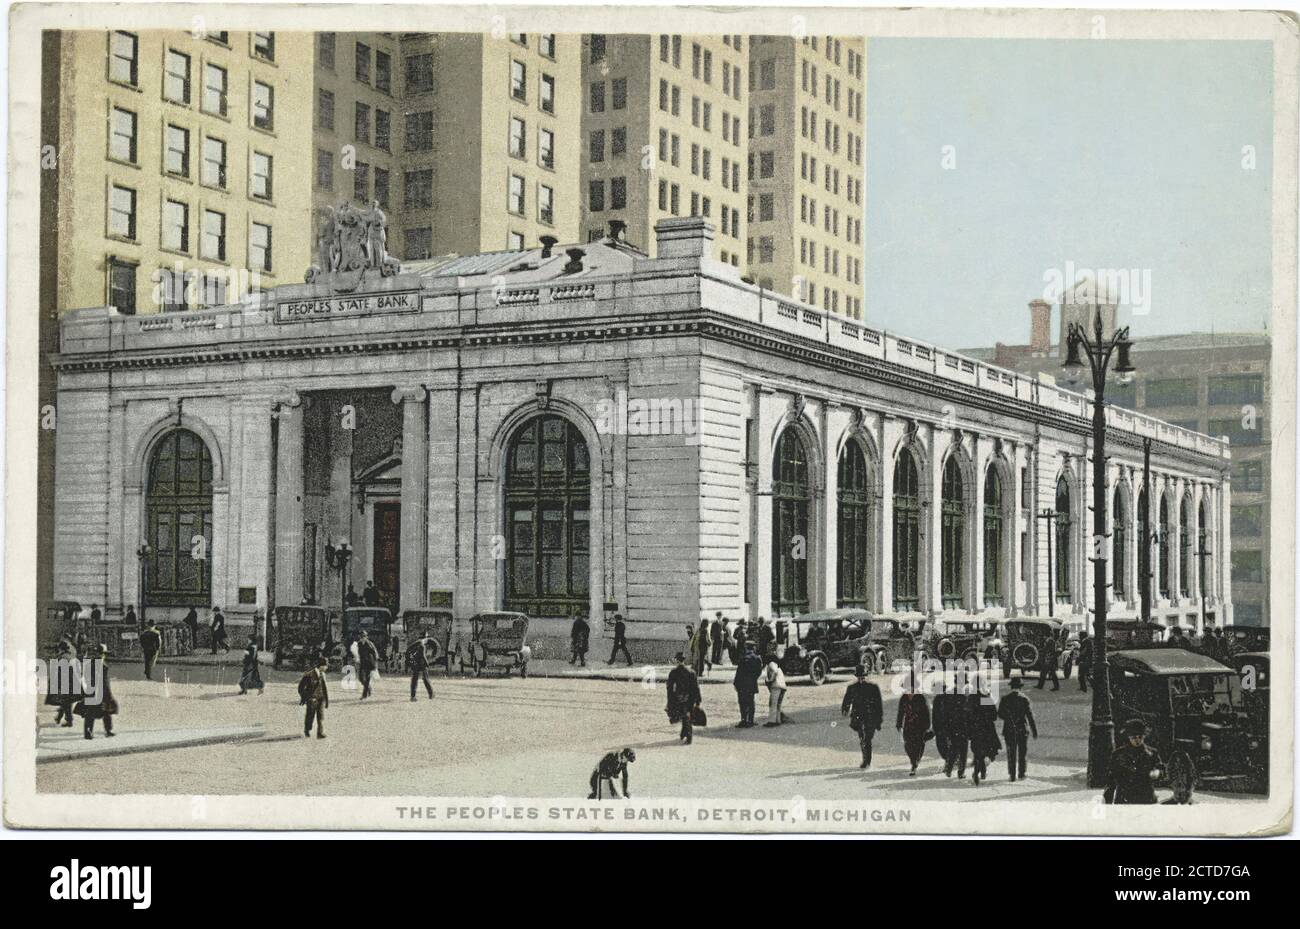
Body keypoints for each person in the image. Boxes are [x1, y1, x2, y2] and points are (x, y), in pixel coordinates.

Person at [1104, 719, 1163, 804]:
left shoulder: (1152, 753)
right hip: (1124, 799)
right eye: (1134, 737)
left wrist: (1157, 773)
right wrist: (1107, 801)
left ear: (1144, 736)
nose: (1137, 740)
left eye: (1140, 737)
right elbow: (1111, 780)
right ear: (1129, 737)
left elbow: (1161, 770)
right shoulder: (1118, 754)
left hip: (1146, 798)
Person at [997, 677, 1038, 781]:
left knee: (1011, 752)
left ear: (1011, 686)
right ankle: (1021, 773)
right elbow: (1030, 716)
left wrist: (1009, 719)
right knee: (1022, 753)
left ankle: (1012, 774)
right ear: (1021, 687)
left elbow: (1000, 714)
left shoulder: (1005, 699)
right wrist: (1034, 730)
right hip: (1022, 729)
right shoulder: (1024, 699)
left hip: (1009, 729)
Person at [842, 665, 883, 769]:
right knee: (863, 739)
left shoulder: (873, 688)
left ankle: (866, 760)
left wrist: (879, 720)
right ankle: (866, 761)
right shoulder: (852, 688)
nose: (861, 679)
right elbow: (847, 700)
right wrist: (845, 709)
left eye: (863, 677)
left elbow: (879, 705)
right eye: (860, 677)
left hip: (871, 718)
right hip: (858, 717)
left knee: (867, 739)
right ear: (857, 677)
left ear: (867, 676)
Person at [75, 645, 118, 740]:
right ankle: (88, 732)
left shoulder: (101, 664)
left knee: (106, 711)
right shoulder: (93, 664)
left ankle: (108, 730)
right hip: (94, 692)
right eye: (102, 654)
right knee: (90, 713)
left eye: (103, 654)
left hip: (103, 691)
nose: (102, 656)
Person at [896, 679, 931, 776]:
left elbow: (927, 713)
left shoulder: (921, 698)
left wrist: (927, 728)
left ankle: (914, 764)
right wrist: (899, 724)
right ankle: (914, 761)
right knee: (908, 745)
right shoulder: (903, 698)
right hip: (908, 726)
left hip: (920, 726)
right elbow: (901, 712)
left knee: (919, 746)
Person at [666, 653, 701, 744]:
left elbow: (669, 688)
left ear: (677, 660)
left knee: (684, 716)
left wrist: (670, 700)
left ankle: (688, 737)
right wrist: (698, 700)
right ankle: (684, 733)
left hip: (679, 697)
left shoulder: (674, 672)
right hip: (690, 698)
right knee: (686, 716)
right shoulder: (691, 672)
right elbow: (696, 687)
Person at [968, 692, 1001, 786]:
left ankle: (979, 772)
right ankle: (981, 771)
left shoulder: (971, 699)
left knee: (977, 752)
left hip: (974, 729)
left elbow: (967, 715)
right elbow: (994, 717)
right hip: (987, 730)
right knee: (983, 752)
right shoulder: (986, 699)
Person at [45, 635, 78, 727]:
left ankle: (68, 720)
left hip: (65, 683)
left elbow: (59, 672)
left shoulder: (63, 658)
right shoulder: (69, 654)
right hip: (71, 682)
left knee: (66, 702)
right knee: (67, 702)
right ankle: (60, 717)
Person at [298, 656, 330, 739]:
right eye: (326, 665)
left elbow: (324, 688)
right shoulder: (309, 675)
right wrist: (307, 697)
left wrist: (326, 701)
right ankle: (307, 730)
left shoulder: (323, 674)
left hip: (320, 699)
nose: (327, 667)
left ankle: (320, 733)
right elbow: (300, 688)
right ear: (321, 665)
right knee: (310, 716)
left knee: (321, 716)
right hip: (312, 699)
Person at [732, 643, 763, 728]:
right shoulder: (757, 658)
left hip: (742, 684)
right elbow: (759, 671)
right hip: (751, 684)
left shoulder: (743, 658)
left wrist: (735, 684)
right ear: (754, 648)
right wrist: (753, 679)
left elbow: (738, 673)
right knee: (751, 702)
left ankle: (744, 720)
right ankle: (751, 720)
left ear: (746, 648)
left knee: (742, 703)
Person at [931, 689, 955, 772]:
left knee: (947, 746)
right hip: (939, 728)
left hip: (948, 727)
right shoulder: (936, 699)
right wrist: (934, 727)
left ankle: (949, 763)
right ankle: (949, 761)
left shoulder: (949, 698)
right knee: (941, 746)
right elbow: (934, 715)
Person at [763, 652, 788, 727]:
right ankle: (778, 720)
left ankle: (772, 721)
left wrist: (770, 680)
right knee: (778, 704)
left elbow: (774, 671)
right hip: (782, 686)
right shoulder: (777, 665)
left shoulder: (771, 664)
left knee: (773, 704)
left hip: (776, 686)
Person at [408, 632, 435, 701]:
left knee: (414, 680)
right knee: (426, 679)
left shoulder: (415, 644)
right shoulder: (422, 645)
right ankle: (431, 694)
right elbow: (423, 656)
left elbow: (408, 651)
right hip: (421, 664)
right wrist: (427, 663)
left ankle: (412, 696)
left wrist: (410, 661)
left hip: (415, 664)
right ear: (425, 638)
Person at [356, 630, 380, 699]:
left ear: (366, 637)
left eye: (364, 636)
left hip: (369, 663)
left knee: (367, 679)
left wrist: (375, 663)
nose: (362, 638)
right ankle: (368, 688)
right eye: (361, 637)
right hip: (362, 663)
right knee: (360, 678)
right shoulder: (359, 644)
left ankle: (364, 695)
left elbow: (375, 653)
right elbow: (359, 653)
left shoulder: (369, 644)